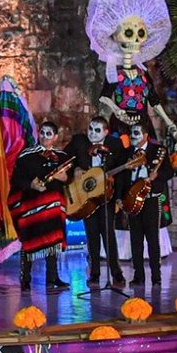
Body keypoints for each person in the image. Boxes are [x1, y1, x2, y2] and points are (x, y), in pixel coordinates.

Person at [10, 121, 73, 291]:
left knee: (53, 241)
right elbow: (16, 179)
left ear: (56, 137)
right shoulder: (26, 155)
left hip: (54, 207)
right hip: (32, 206)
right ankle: (25, 279)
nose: (45, 137)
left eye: (49, 134)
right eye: (43, 133)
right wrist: (31, 184)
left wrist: (64, 178)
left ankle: (52, 277)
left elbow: (72, 179)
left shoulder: (62, 157)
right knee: (29, 241)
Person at [67, 117, 126, 288]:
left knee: (108, 233)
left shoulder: (114, 145)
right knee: (91, 234)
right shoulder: (80, 142)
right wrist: (75, 169)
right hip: (85, 196)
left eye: (97, 130)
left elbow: (122, 170)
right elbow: (64, 158)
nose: (92, 133)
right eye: (90, 129)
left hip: (106, 195)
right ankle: (94, 273)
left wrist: (119, 195)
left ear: (106, 132)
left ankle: (116, 272)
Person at [121, 121, 167, 288]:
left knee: (153, 240)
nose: (133, 137)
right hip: (133, 201)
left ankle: (156, 276)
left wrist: (157, 175)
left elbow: (169, 171)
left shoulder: (158, 152)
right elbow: (122, 178)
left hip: (150, 200)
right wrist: (121, 197)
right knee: (136, 240)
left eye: (137, 134)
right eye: (132, 133)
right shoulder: (127, 153)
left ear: (146, 136)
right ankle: (138, 275)